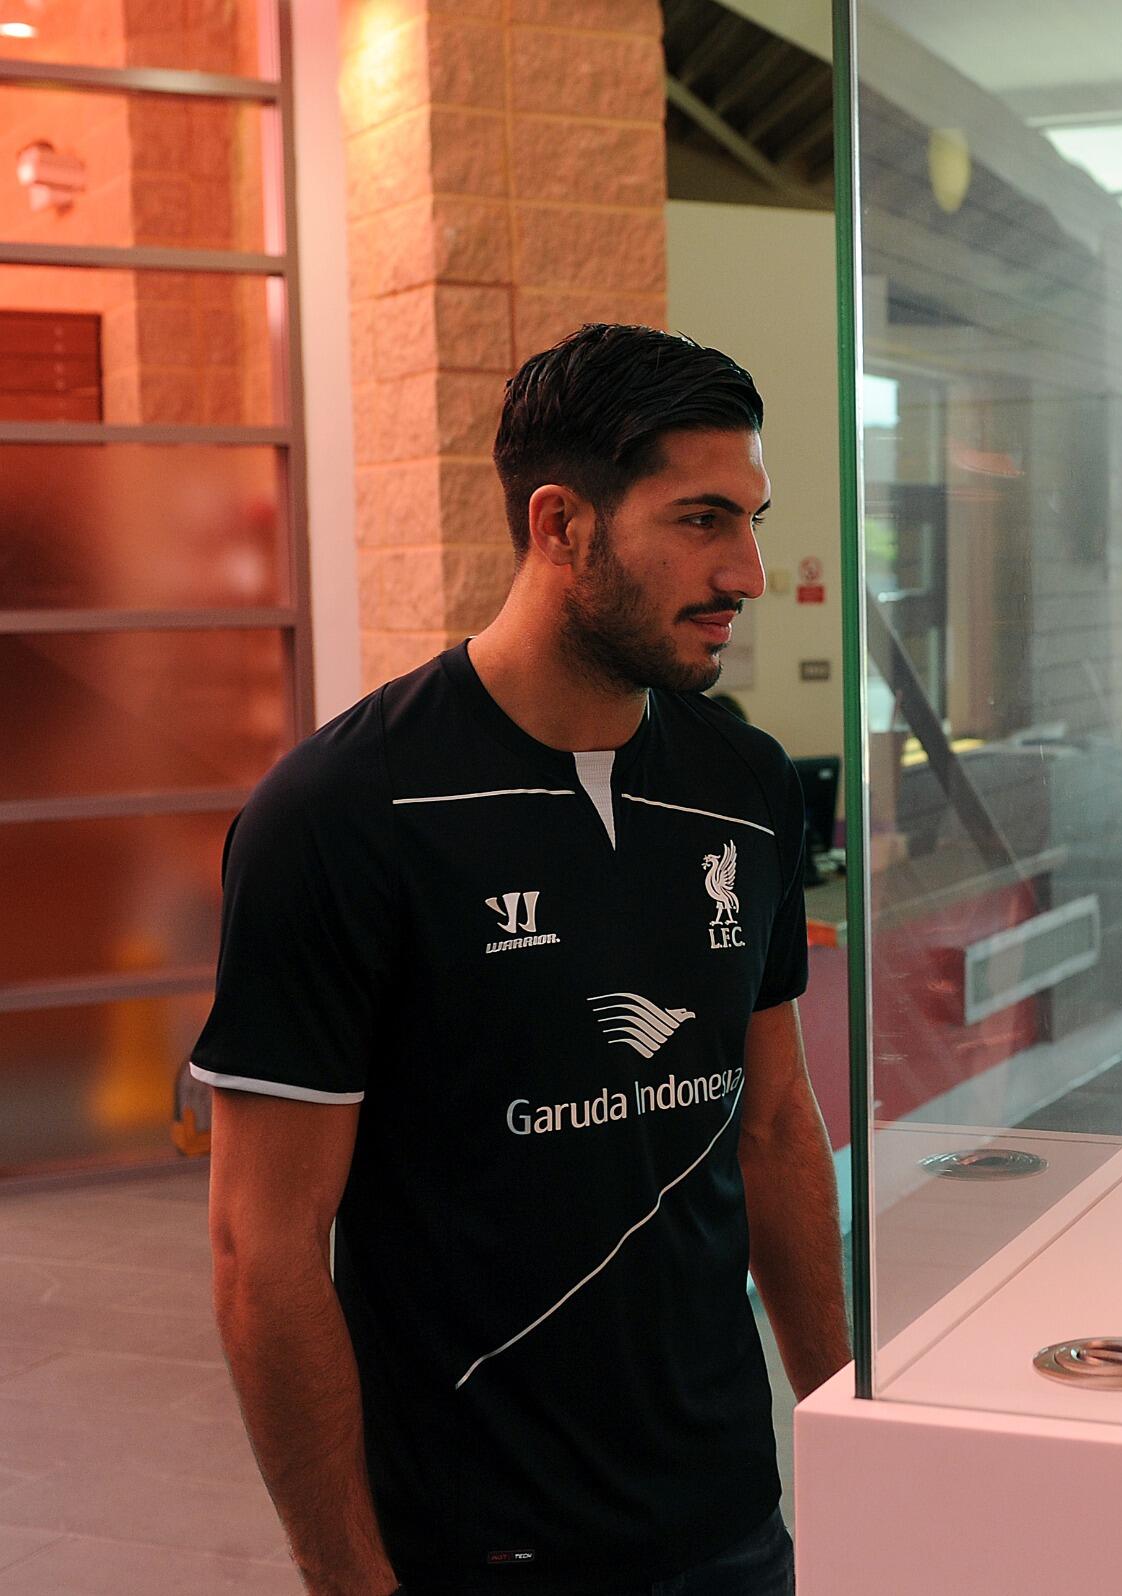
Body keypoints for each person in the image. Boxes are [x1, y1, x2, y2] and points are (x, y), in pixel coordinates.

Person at [194, 324, 850, 1596]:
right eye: (703, 521)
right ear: (562, 526)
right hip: (470, 1544)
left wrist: (847, 1425)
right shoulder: (338, 816)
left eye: (753, 520)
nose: (749, 572)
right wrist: (347, 1578)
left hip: (725, 1519)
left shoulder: (744, 784)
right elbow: (261, 1244)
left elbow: (769, 1126)